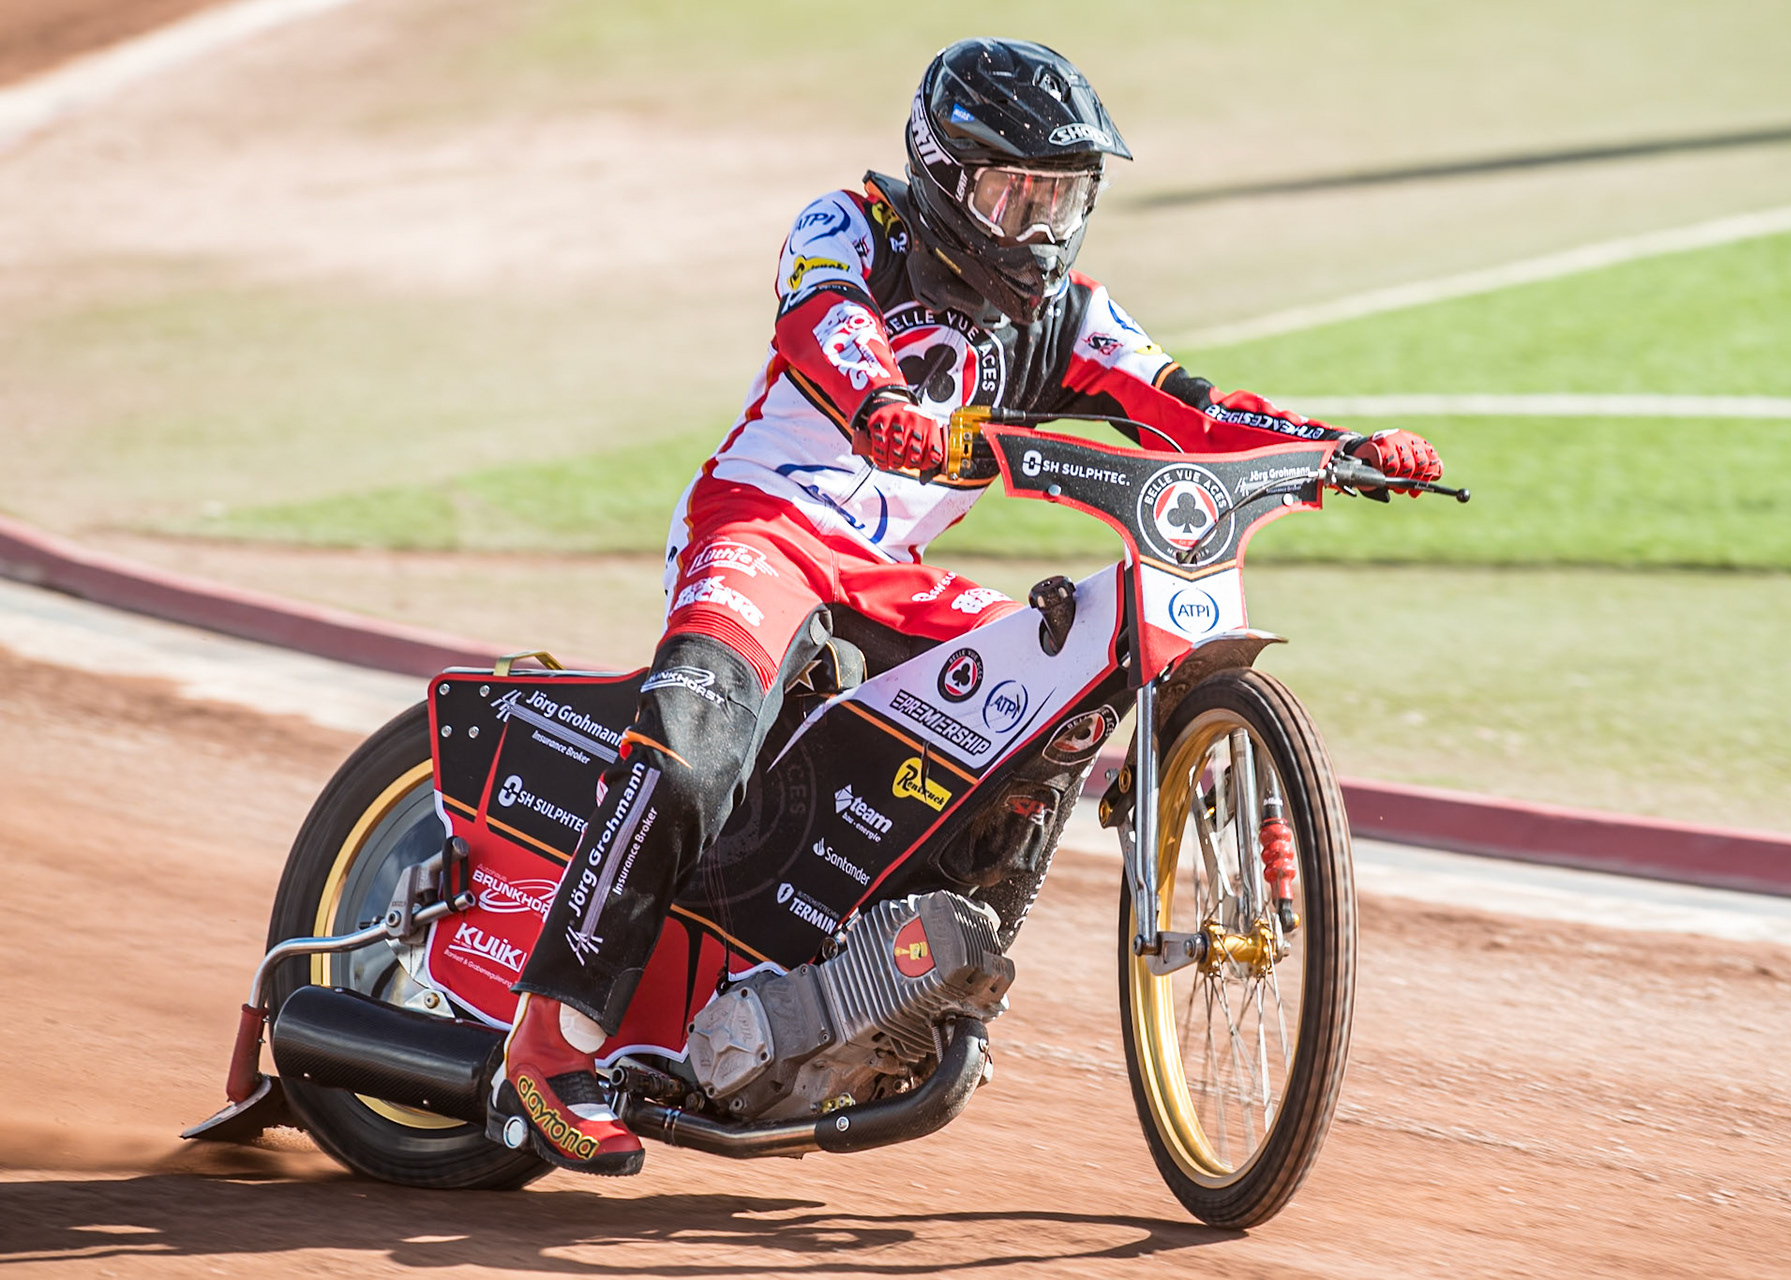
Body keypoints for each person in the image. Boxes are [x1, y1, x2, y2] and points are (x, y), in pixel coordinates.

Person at [498, 36, 1443, 1174]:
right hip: (763, 528)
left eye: (1065, 200)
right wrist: (881, 398)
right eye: (1017, 194)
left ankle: (870, 976)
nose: (1043, 227)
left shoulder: (1066, 314)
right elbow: (823, 325)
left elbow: (1187, 405)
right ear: (946, 177)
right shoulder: (851, 225)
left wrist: (1334, 449)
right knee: (699, 740)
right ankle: (552, 1037)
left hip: (888, 568)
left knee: (1048, 691)